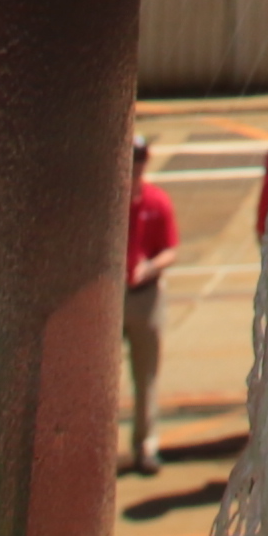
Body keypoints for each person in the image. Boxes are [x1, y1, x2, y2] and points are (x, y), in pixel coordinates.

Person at [121, 134, 180, 477]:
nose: (135, 165)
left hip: (146, 297)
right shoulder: (108, 203)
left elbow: (171, 249)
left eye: (139, 158)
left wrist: (151, 267)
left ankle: (145, 444)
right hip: (115, 298)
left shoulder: (157, 202)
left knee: (146, 377)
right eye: (131, 157)